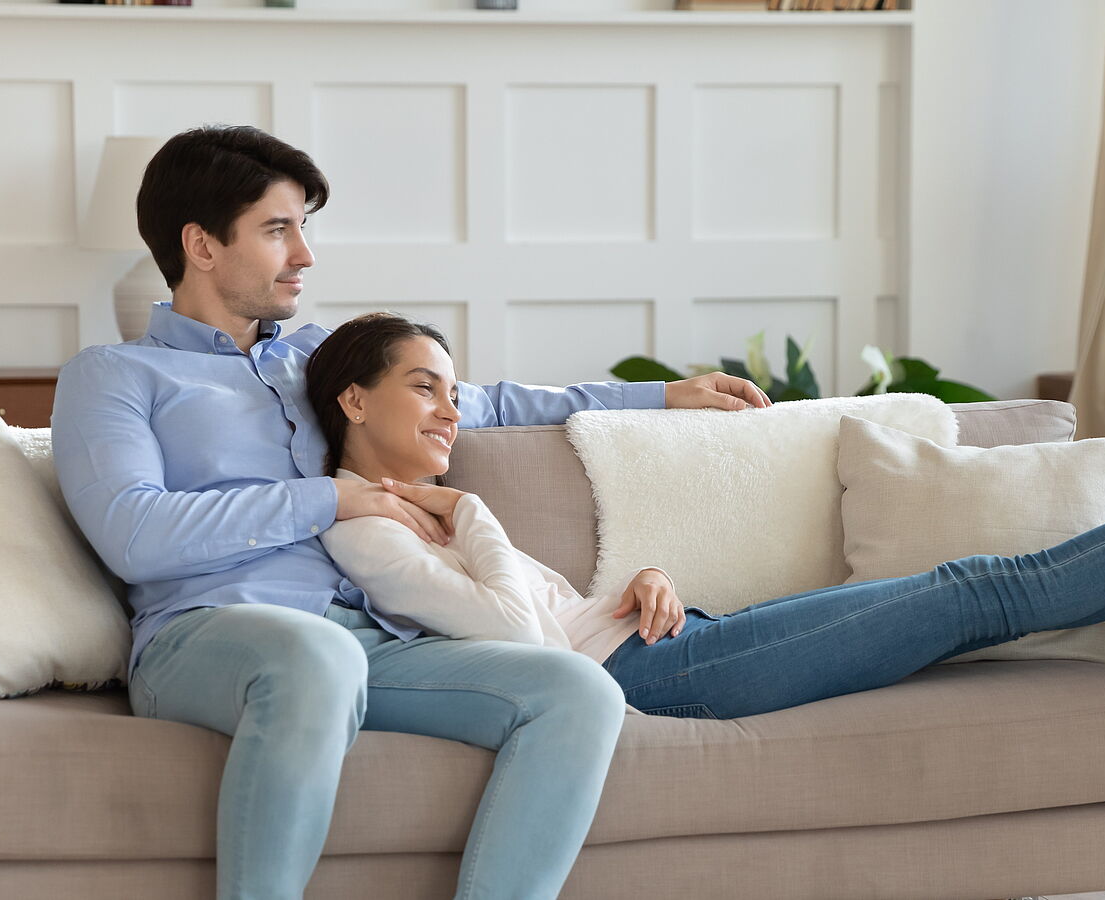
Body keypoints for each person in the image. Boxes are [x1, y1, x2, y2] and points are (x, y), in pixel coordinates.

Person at [50, 124, 770, 900]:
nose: (305, 255)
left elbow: (489, 401)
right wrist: (331, 496)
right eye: (277, 230)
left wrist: (660, 396)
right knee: (317, 657)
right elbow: (134, 534)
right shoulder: (116, 376)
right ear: (201, 245)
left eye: (304, 228)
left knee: (576, 689)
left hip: (373, 636)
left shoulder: (313, 360)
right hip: (208, 634)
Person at [308, 314, 1105, 723]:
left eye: (455, 388)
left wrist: (631, 591)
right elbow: (513, 641)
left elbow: (550, 617)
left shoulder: (423, 511)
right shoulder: (364, 530)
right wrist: (473, 510)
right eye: (424, 388)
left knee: (973, 594)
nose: (453, 409)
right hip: (653, 682)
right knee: (973, 591)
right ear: (353, 401)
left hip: (668, 640)